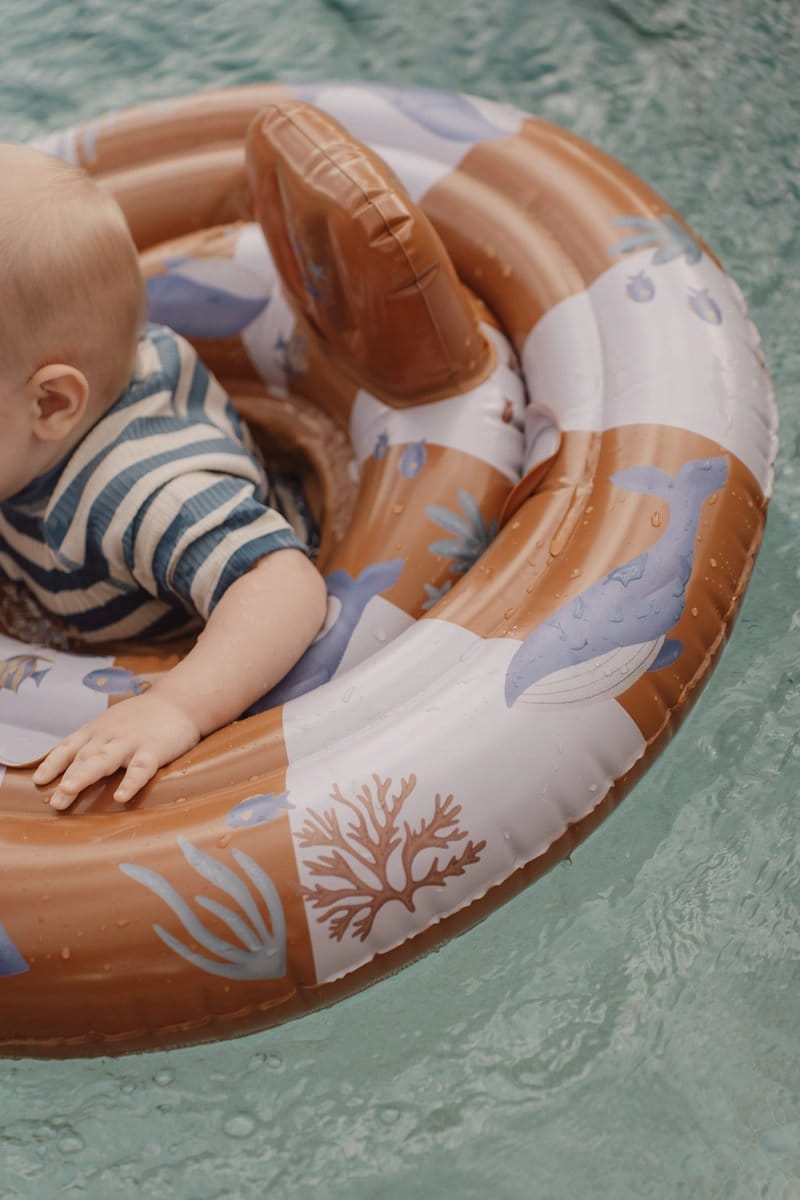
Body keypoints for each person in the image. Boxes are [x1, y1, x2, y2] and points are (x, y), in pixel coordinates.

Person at [0, 143, 328, 810]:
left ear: (51, 404)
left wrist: (177, 705)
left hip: (187, 612)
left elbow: (283, 583)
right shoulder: (21, 434)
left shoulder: (138, 492)